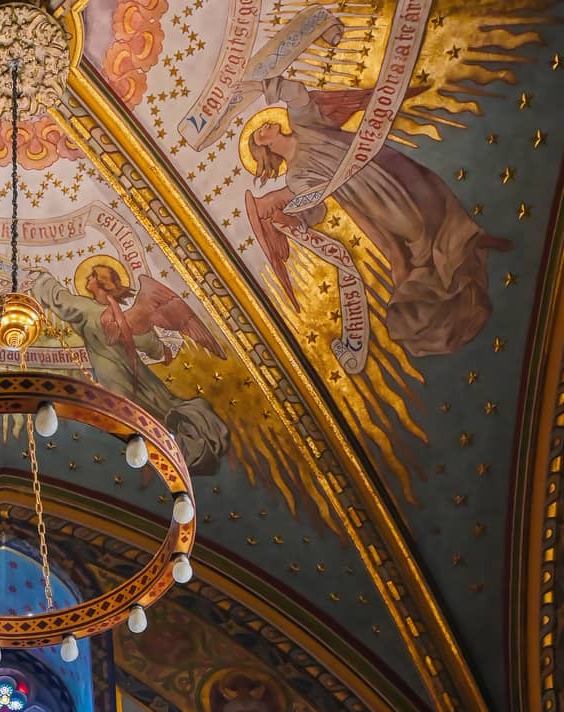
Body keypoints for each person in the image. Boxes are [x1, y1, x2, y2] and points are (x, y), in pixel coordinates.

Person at [244, 76, 508, 357]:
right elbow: (317, 208)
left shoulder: (303, 123)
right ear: (265, 148)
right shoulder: (297, 176)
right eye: (260, 133)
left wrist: (264, 87)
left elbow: (296, 93)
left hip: (382, 164)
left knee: (431, 198)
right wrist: (297, 222)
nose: (265, 126)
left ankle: (468, 243)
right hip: (366, 195)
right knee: (414, 229)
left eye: (263, 126)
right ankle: (451, 276)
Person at [28, 260, 230, 475]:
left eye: (92, 275)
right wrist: (163, 351)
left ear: (101, 283)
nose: (87, 279)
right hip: (140, 378)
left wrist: (42, 279)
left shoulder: (91, 311)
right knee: (151, 413)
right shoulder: (125, 316)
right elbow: (152, 346)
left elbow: (62, 301)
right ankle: (172, 447)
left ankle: (167, 448)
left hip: (115, 379)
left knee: (132, 416)